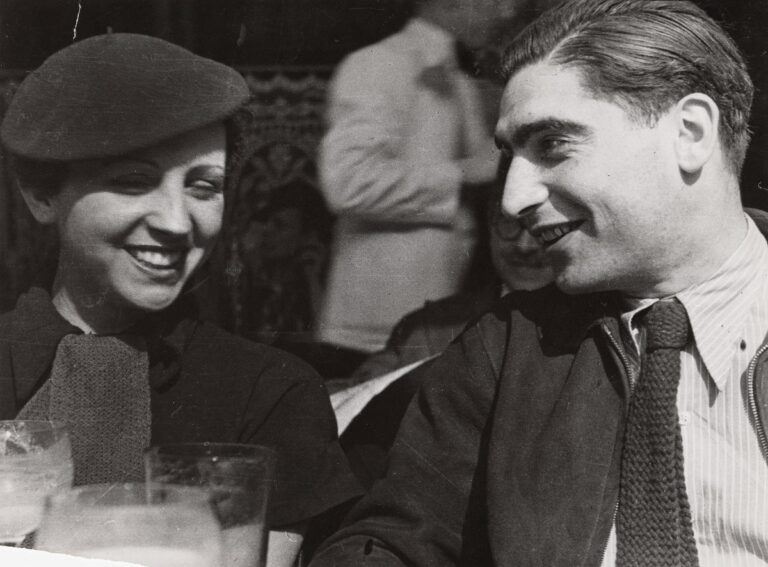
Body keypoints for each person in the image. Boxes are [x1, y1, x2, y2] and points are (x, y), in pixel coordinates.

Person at [309, 1, 768, 565]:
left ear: (690, 133)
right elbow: (398, 543)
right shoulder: (500, 350)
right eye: (510, 157)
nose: (512, 198)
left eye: (552, 145)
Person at [0, 33, 360, 567]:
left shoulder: (271, 394)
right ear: (41, 194)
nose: (175, 222)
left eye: (203, 186)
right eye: (132, 182)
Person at [316, 0, 522, 362]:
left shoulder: (456, 73)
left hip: (444, 312)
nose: (507, 13)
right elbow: (347, 183)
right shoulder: (377, 64)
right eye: (499, 0)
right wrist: (467, 173)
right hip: (380, 321)